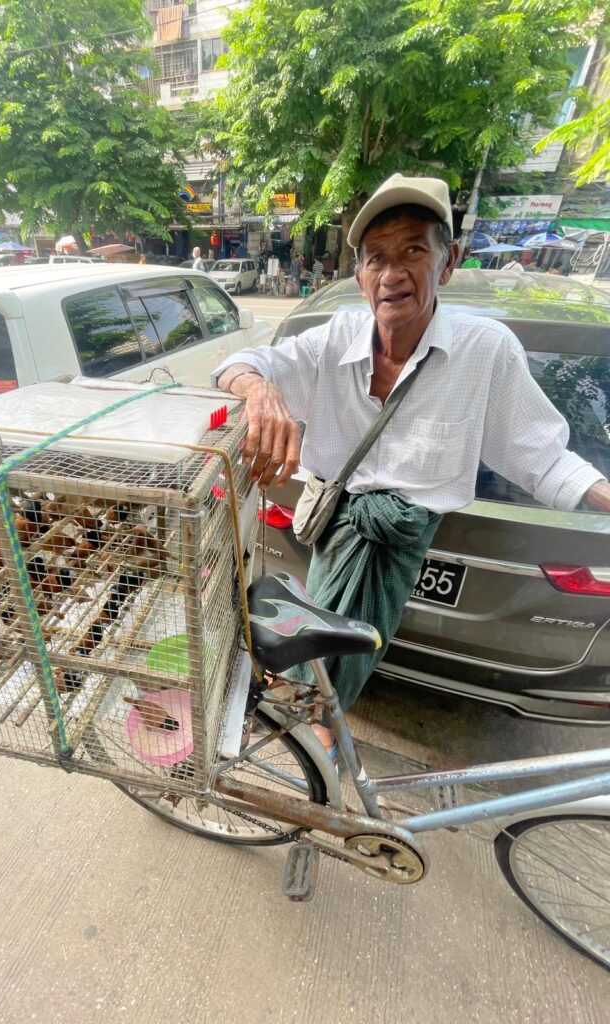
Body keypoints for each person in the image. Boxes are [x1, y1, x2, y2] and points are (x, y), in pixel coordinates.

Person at [212, 172, 610, 753]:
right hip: (335, 533)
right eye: (376, 258)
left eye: (413, 252)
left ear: (446, 265)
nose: (392, 273)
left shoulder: (485, 350)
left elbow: (544, 459)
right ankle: (310, 765)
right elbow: (241, 362)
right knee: (310, 672)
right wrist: (260, 391)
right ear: (360, 275)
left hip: (399, 547)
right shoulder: (333, 338)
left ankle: (313, 750)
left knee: (336, 675)